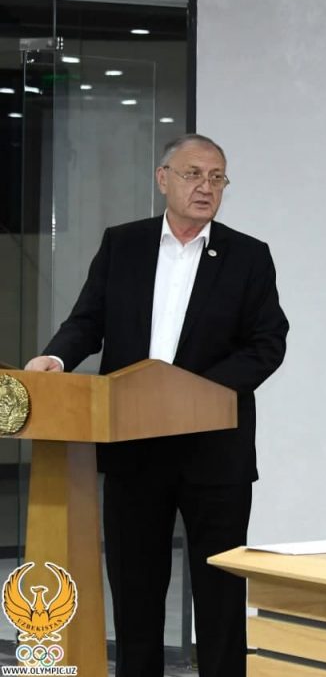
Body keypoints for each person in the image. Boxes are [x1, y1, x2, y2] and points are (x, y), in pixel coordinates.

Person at [25, 133, 289, 676]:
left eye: (217, 177)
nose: (206, 187)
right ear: (163, 178)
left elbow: (267, 344)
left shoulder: (247, 256)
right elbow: (87, 321)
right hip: (134, 444)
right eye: (193, 174)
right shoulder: (124, 245)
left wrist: (193, 392)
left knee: (219, 594)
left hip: (215, 450)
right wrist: (55, 358)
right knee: (136, 590)